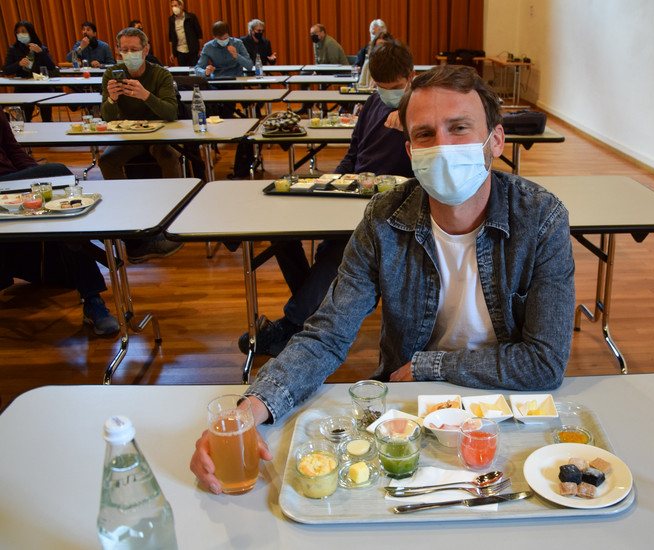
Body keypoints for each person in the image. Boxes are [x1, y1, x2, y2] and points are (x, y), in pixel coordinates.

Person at [195, 64, 576, 492]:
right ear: (410, 151)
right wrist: (249, 410)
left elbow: (544, 363)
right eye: (426, 135)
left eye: (460, 128)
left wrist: (429, 366)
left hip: (504, 410)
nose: (443, 146)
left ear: (496, 140)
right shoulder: (384, 219)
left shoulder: (541, 219)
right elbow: (326, 335)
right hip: (406, 410)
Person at [237, 40, 416, 356]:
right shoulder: (374, 103)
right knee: (280, 233)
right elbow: (354, 153)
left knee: (337, 253)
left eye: (397, 88)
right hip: (353, 192)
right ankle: (314, 315)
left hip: (392, 206)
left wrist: (413, 128)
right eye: (382, 87)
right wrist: (331, 182)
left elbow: (429, 170)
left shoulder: (424, 111)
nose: (389, 94)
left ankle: (293, 324)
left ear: (412, 76)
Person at [0, 110, 120, 336]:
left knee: (61, 193)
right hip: (5, 187)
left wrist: (38, 179)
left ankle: (92, 299)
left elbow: (13, 151)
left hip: (10, 187)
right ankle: (122, 250)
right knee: (57, 172)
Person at [98, 27, 183, 263]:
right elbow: (106, 118)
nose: (129, 54)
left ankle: (171, 218)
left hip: (160, 136)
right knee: (106, 160)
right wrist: (111, 99)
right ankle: (127, 215)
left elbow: (171, 112)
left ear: (145, 50)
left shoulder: (160, 75)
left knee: (168, 156)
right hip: (130, 137)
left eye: (134, 49)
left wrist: (146, 95)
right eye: (124, 50)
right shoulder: (111, 74)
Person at [3, 21, 57, 122]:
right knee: (25, 119)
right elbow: (6, 70)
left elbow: (52, 67)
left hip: (42, 88)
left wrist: (41, 52)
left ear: (30, 32)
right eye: (18, 32)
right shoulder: (13, 49)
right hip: (24, 88)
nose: (20, 34)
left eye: (23, 31)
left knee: (47, 119)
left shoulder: (41, 48)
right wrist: (18, 64)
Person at [168, 0, 202, 67]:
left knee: (193, 72)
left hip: (192, 51)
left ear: (181, 6)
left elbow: (199, 34)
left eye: (175, 5)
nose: (173, 8)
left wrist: (200, 49)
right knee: (183, 73)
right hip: (180, 51)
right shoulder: (171, 19)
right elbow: (171, 38)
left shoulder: (191, 17)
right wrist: (172, 53)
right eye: (172, 6)